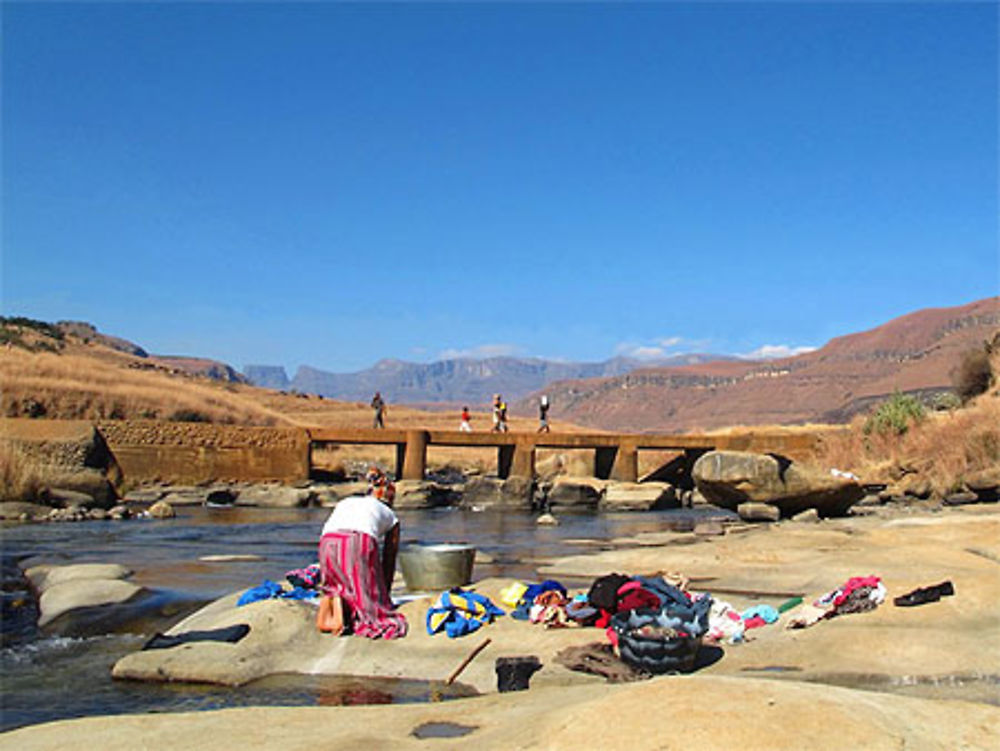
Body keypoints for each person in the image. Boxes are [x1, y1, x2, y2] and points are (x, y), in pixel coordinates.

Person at [315, 468, 407, 639]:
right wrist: (383, 594)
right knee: (366, 590)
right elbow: (389, 557)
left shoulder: (348, 501)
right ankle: (350, 614)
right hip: (357, 540)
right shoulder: (391, 516)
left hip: (327, 541)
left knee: (337, 581)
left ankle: (332, 608)